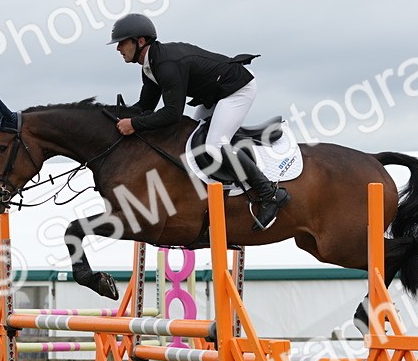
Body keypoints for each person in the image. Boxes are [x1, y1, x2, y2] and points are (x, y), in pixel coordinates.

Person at [109, 13, 290, 230]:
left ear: (140, 41)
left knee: (215, 146)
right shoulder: (151, 66)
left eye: (122, 43)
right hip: (214, 94)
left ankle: (269, 193)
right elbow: (144, 108)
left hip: (237, 88)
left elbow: (172, 114)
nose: (118, 48)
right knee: (188, 143)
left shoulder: (166, 65)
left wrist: (134, 124)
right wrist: (117, 118)